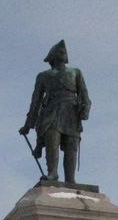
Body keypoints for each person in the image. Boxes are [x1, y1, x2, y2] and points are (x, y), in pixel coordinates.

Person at [18, 40, 91, 184]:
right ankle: (52, 173)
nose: (63, 53)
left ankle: (70, 179)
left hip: (71, 112)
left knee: (71, 144)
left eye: (64, 52)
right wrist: (28, 125)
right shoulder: (44, 76)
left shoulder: (76, 72)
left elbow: (84, 95)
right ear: (52, 57)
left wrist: (85, 109)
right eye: (60, 52)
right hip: (51, 112)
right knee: (52, 142)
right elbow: (36, 102)